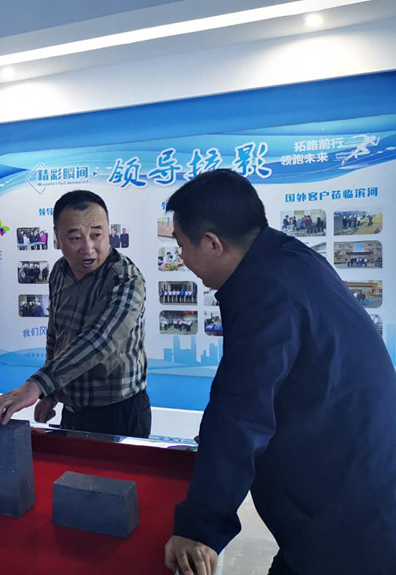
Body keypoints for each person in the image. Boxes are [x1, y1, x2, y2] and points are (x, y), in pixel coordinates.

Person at [162, 170, 396, 575]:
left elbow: (242, 409)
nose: (182, 259)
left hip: (351, 506)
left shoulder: (266, 289)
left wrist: (198, 527)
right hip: (353, 481)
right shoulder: (286, 259)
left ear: (213, 243)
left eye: (182, 246)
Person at [0, 190, 150, 438]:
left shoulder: (125, 279)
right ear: (57, 238)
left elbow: (99, 340)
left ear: (109, 232)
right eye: (75, 238)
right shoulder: (60, 271)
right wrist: (51, 393)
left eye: (97, 235)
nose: (88, 248)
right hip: (73, 410)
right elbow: (56, 334)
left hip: (118, 412)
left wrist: (38, 385)